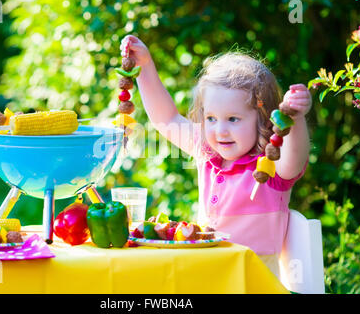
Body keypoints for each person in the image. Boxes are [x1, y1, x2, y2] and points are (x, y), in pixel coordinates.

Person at [121, 35, 312, 277]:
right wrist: (145, 66)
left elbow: (295, 157)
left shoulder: (270, 166)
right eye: (211, 118)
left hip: (253, 283)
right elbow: (167, 119)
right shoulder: (208, 152)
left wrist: (294, 118)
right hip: (206, 277)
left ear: (262, 119)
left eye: (233, 119)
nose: (220, 130)